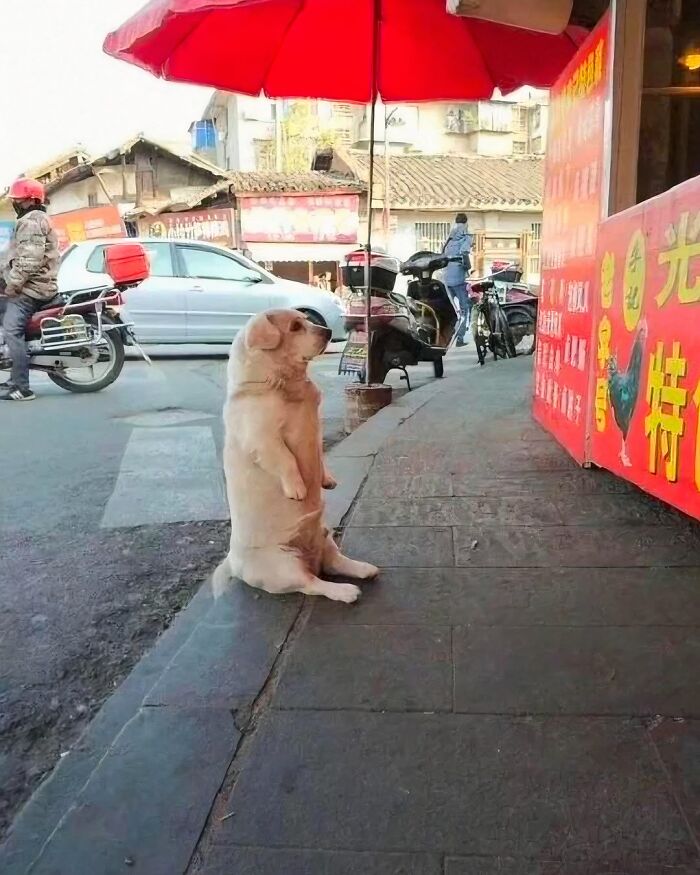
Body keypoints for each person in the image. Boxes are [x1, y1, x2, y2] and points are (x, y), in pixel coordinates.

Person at [0, 178, 60, 401]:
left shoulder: (31, 222)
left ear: (31, 200)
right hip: (34, 285)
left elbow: (29, 260)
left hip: (33, 289)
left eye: (19, 200)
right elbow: (13, 257)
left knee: (11, 330)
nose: (16, 204)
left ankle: (22, 388)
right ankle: (13, 373)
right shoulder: (32, 219)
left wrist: (12, 286)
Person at [442, 212, 473, 348]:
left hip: (446, 277)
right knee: (465, 308)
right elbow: (464, 252)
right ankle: (460, 338)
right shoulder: (466, 236)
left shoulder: (449, 238)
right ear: (466, 222)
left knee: (448, 309)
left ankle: (445, 337)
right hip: (459, 278)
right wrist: (468, 267)